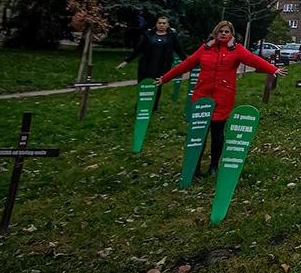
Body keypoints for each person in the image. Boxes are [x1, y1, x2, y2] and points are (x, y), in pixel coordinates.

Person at [157, 21, 285, 176]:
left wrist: (273, 69)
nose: (224, 34)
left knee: (217, 132)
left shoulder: (237, 49)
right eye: (221, 31)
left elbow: (253, 60)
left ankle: (213, 166)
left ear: (231, 34)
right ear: (215, 33)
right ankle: (195, 165)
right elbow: (187, 64)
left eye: (227, 31)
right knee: (199, 132)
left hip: (223, 97)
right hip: (202, 96)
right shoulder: (205, 49)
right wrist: (165, 78)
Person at [118, 15, 186, 112]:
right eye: (159, 23)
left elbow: (180, 51)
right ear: (156, 24)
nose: (161, 25)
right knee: (143, 85)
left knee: (157, 86)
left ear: (167, 25)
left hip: (161, 67)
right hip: (146, 66)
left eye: (164, 23)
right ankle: (141, 105)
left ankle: (153, 107)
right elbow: (138, 49)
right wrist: (126, 61)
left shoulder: (172, 37)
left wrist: (188, 63)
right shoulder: (149, 35)